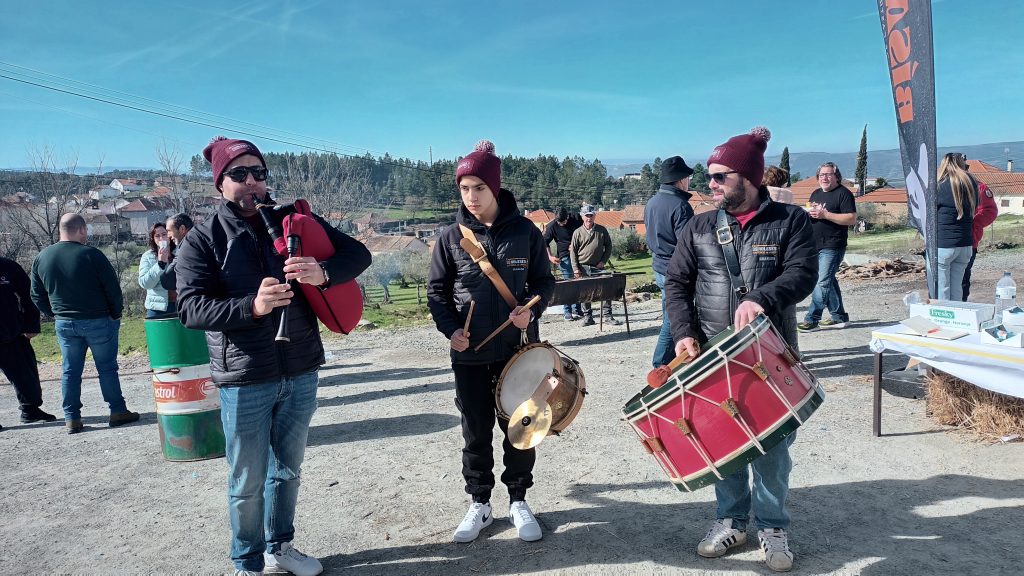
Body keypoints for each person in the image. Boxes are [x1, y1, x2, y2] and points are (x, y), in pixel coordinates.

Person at [175, 136, 371, 576]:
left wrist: (324, 273)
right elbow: (190, 309)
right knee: (247, 479)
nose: (252, 182)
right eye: (239, 174)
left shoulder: (291, 221)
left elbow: (359, 254)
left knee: (288, 470)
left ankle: (279, 546)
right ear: (220, 184)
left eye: (258, 173)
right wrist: (253, 306)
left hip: (300, 367)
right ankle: (247, 562)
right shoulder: (203, 239)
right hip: (245, 376)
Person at [664, 127, 817, 573]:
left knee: (772, 449)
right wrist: (683, 331)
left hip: (770, 351)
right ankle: (731, 520)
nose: (709, 184)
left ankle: (772, 526)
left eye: (719, 176)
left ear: (747, 177)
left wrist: (760, 298)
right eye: (709, 176)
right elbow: (676, 283)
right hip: (712, 356)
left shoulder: (791, 221)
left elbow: (802, 274)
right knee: (722, 443)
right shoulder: (699, 226)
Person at [427, 140, 555, 544]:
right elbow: (436, 293)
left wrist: (532, 309)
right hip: (469, 355)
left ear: (495, 188)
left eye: (479, 188)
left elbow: (544, 282)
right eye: (464, 189)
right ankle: (480, 503)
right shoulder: (450, 237)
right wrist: (451, 330)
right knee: (476, 431)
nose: (471, 197)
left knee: (521, 428)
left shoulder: (526, 233)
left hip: (518, 353)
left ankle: (518, 500)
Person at [30, 213, 139, 434]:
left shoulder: (42, 257)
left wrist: (55, 313)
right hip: (98, 320)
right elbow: (112, 289)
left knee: (70, 371)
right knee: (107, 368)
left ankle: (72, 418)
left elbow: (36, 295)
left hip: (65, 322)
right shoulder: (92, 255)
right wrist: (115, 313)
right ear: (81, 230)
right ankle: (117, 410)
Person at [644, 155, 695, 368]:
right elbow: (688, 244)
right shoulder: (680, 205)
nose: (689, 181)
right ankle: (660, 364)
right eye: (688, 177)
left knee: (670, 314)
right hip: (675, 269)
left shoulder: (651, 202)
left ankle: (674, 360)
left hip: (658, 265)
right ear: (681, 180)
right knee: (673, 318)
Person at [798, 162, 856, 331]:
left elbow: (851, 218)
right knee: (828, 280)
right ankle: (839, 317)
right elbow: (813, 215)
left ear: (836, 177)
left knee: (822, 282)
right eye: (821, 175)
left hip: (833, 245)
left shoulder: (844, 194)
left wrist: (825, 214)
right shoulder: (816, 193)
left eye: (828, 174)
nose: (824, 177)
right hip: (814, 244)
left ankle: (812, 319)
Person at [1, 256, 57, 431]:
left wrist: (31, 324)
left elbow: (28, 294)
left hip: (11, 331)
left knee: (25, 373)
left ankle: (30, 410)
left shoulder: (7, 266)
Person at [932, 152, 980, 301]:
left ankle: (944, 315)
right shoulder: (971, 183)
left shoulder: (940, 185)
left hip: (944, 244)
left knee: (943, 289)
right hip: (965, 244)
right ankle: (956, 312)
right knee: (957, 287)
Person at [570, 204, 621, 326]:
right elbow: (573, 252)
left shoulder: (601, 230)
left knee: (607, 288)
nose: (589, 218)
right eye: (587, 215)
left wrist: (603, 261)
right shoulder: (577, 232)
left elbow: (608, 246)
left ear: (594, 216)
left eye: (591, 215)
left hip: (598, 267)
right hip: (583, 267)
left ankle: (607, 316)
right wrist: (576, 269)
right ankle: (588, 317)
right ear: (582, 217)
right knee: (585, 292)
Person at [959, 159, 998, 301]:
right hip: (945, 242)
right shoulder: (942, 186)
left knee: (963, 278)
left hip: (969, 242)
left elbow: (989, 211)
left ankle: (962, 307)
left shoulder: (978, 187)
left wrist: (973, 224)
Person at [542, 207, 583, 320]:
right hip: (564, 257)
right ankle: (567, 312)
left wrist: (576, 244)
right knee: (568, 284)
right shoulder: (552, 226)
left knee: (579, 282)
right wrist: (550, 257)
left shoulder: (577, 218)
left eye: (563, 222)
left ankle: (577, 309)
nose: (561, 224)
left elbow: (585, 231)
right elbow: (544, 241)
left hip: (579, 255)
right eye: (559, 222)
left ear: (568, 217)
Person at [137, 222, 175, 318]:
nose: (161, 238)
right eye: (157, 236)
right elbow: (145, 283)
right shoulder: (148, 256)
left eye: (164, 234)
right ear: (153, 239)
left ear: (169, 235)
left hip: (181, 305)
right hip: (158, 308)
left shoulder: (180, 252)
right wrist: (160, 264)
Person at [159, 212, 194, 292]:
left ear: (182, 229)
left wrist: (161, 263)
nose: (168, 235)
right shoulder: (202, 242)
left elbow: (168, 280)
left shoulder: (186, 248)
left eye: (169, 231)